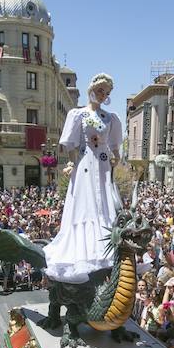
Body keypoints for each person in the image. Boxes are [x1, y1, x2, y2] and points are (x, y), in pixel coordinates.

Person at [43, 73, 123, 284]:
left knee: (103, 202)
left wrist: (117, 159)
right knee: (85, 202)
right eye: (100, 90)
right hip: (86, 162)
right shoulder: (77, 114)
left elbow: (114, 144)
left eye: (106, 92)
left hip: (103, 162)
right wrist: (71, 163)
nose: (103, 95)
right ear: (91, 90)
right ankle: (84, 247)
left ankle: (104, 243)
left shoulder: (110, 117)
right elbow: (70, 143)